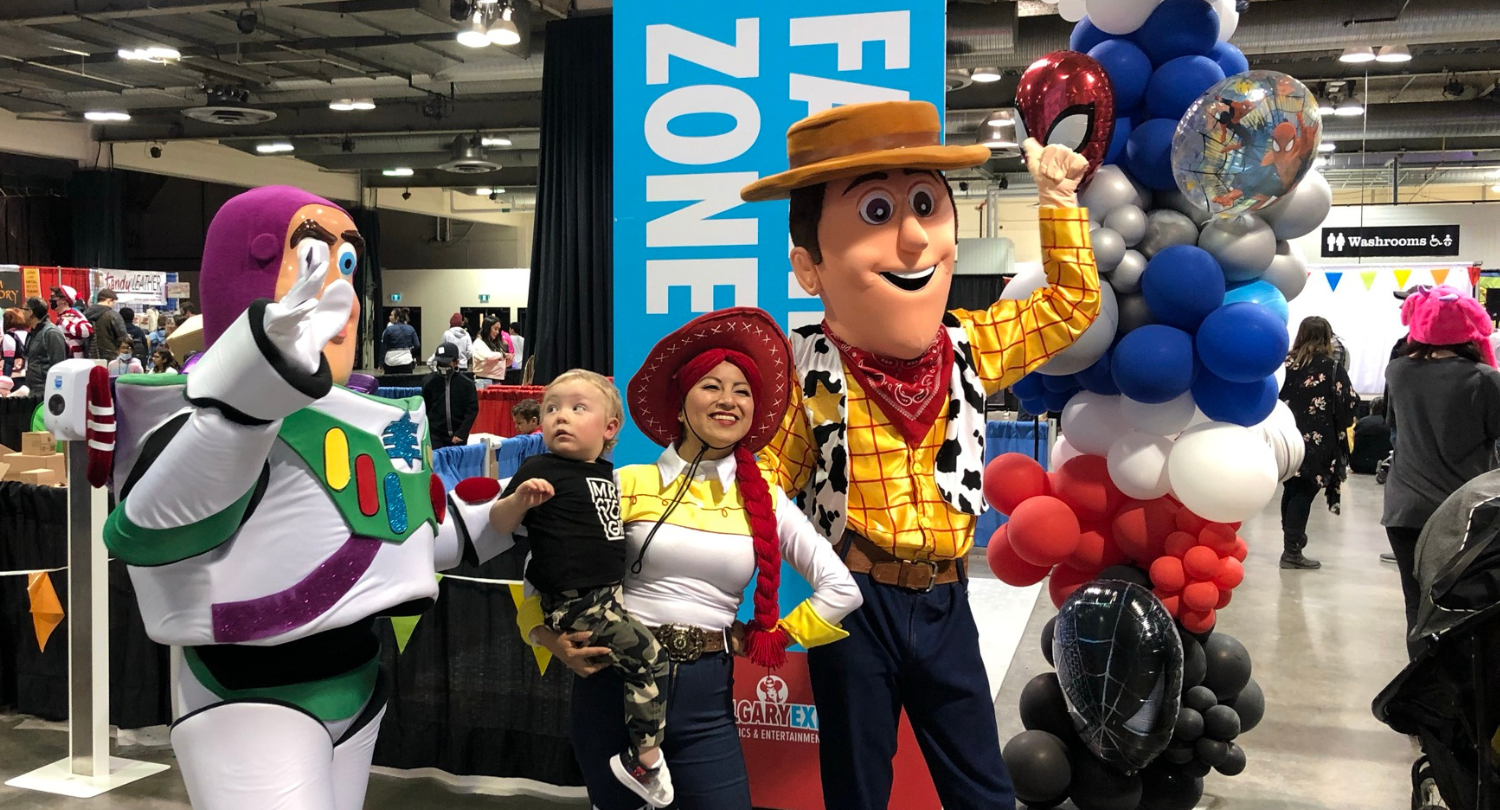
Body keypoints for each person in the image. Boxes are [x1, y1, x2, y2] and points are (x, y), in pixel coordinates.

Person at [99, 186, 511, 810]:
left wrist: (506, 516)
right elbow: (148, 528)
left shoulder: (373, 419)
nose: (338, 294)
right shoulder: (202, 415)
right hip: (248, 698)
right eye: (313, 260)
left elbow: (401, 539)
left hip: (356, 683)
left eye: (347, 265)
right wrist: (251, 387)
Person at [741, 101, 1101, 810]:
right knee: (857, 787)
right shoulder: (804, 368)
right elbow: (766, 489)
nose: (912, 238)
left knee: (981, 786)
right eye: (876, 212)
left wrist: (1057, 200)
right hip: (855, 598)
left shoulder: (970, 346)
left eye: (926, 206)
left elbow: (1069, 306)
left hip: (945, 598)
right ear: (810, 268)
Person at [518, 308, 861, 810]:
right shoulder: (624, 483)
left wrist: (772, 638)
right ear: (680, 405)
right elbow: (540, 571)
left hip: (708, 701)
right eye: (711, 386)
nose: (728, 400)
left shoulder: (766, 499)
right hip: (613, 686)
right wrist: (549, 639)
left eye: (742, 391)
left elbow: (841, 589)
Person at [491, 369, 674, 807]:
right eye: (551, 409)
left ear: (609, 428)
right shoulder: (539, 469)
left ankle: (641, 751)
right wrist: (519, 500)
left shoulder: (608, 474)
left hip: (608, 597)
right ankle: (645, 759)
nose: (561, 417)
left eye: (577, 408)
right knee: (650, 657)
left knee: (638, 661)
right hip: (577, 603)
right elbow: (498, 522)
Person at [1383, 285, 1500, 657]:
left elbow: (1392, 425)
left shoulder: (1398, 372)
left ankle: (1424, 684)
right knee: (1463, 610)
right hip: (1463, 514)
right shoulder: (1484, 379)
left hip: (1404, 509)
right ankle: (1460, 684)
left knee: (1416, 607)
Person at [1277, 316, 1358, 570]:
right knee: (1304, 491)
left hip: (1285, 437)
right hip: (1317, 440)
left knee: (1291, 488)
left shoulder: (1284, 364)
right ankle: (1292, 550)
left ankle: (1293, 541)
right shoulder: (1331, 367)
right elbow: (1349, 402)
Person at [421, 342, 479, 446]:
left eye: (446, 363)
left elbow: (472, 410)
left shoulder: (466, 384)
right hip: (435, 436)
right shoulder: (428, 381)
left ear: (456, 362)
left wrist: (462, 432)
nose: (442, 366)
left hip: (458, 436)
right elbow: (425, 408)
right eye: (439, 362)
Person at [21, 297, 66, 395]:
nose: (21, 313)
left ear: (30, 312)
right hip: (33, 390)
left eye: (23, 309)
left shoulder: (51, 333)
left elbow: (59, 366)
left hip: (46, 391)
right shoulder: (32, 333)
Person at [1352, 397, 1394, 475]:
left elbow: (1354, 441)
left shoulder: (1361, 422)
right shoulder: (1390, 424)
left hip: (1358, 465)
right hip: (1384, 465)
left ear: (1371, 408)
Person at [86, 287, 129, 362]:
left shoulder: (84, 314)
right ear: (109, 301)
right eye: (114, 302)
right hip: (110, 357)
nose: (114, 305)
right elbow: (123, 337)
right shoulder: (113, 315)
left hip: (88, 356)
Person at [51, 285, 93, 360]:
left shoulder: (73, 314)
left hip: (74, 360)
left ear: (63, 300)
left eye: (53, 297)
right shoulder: (63, 315)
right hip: (65, 358)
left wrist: (67, 324)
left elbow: (88, 329)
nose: (50, 300)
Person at [380, 307, 420, 374]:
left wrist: (380, 363)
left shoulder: (388, 330)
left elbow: (383, 348)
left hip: (390, 362)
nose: (389, 317)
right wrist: (409, 349)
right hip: (406, 361)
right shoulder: (411, 328)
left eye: (391, 315)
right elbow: (417, 345)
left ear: (397, 318)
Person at [470, 317, 511, 383]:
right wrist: (501, 355)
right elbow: (488, 356)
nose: (497, 332)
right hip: (483, 380)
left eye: (498, 329)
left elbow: (500, 362)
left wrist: (508, 360)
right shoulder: (478, 343)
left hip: (497, 381)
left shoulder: (497, 344)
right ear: (487, 328)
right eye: (495, 329)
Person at [2, 307, 26, 382]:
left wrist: (5, 379)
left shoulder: (9, 337)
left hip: (15, 377)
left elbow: (9, 362)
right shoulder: (28, 334)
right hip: (30, 375)